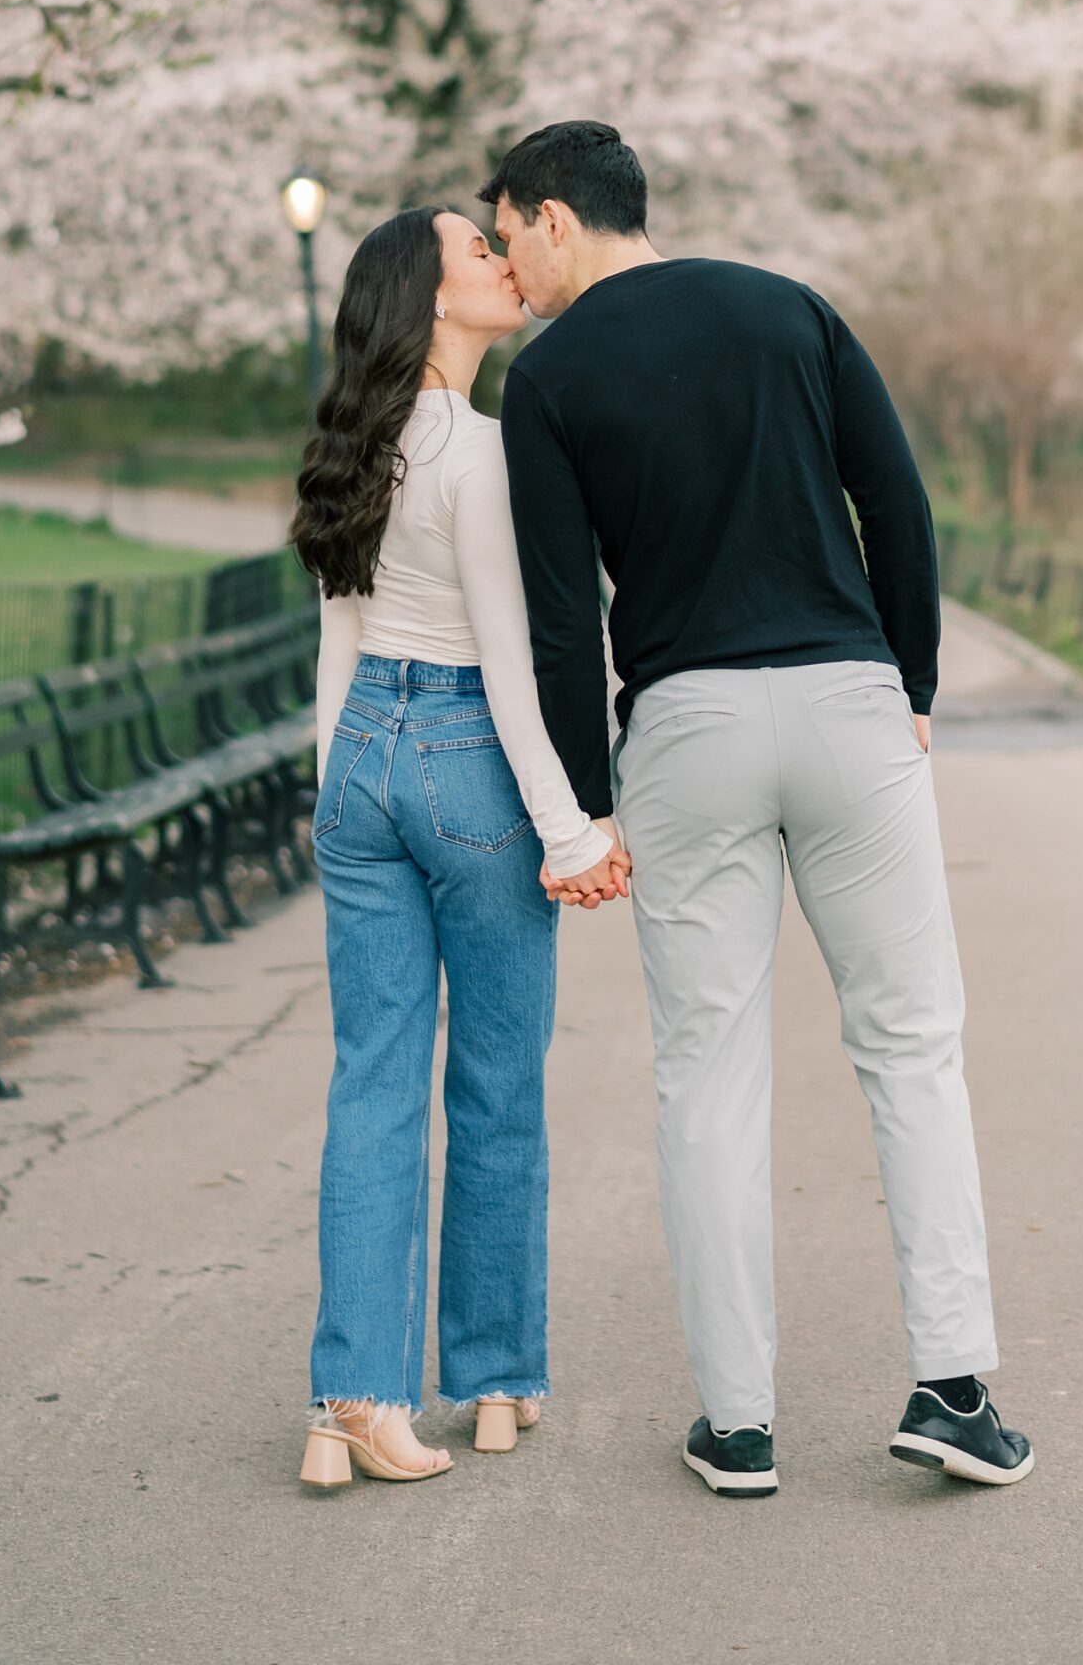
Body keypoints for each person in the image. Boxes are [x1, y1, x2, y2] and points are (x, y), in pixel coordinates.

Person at [480, 121, 1032, 1498]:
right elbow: (893, 499)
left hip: (689, 724)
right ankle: (954, 1388)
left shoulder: (544, 379)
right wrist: (911, 673)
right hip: (848, 701)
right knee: (913, 1047)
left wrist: (586, 807)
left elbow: (561, 618)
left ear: (559, 219)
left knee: (708, 1074)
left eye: (508, 236)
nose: (505, 265)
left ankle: (738, 1426)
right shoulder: (790, 309)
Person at [289, 205, 629, 1493]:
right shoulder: (479, 455)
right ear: (433, 305)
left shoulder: (352, 446)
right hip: (464, 762)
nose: (501, 261)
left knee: (371, 1083)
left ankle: (350, 1402)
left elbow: (340, 640)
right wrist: (571, 829)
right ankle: (490, 1379)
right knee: (495, 1082)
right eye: (474, 255)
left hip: (365, 754)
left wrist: (332, 791)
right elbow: (506, 663)